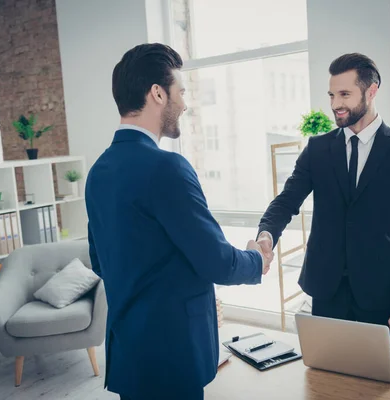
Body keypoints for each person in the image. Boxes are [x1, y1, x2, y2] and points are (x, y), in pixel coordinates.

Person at [85, 43, 272, 400]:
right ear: (157, 93)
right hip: (171, 355)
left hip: (130, 354)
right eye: (181, 92)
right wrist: (257, 261)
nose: (184, 104)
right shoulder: (166, 167)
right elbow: (216, 261)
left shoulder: (98, 172)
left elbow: (101, 261)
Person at [255, 53, 390, 353]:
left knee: (385, 388)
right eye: (331, 94)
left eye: (344, 94)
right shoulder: (317, 149)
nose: (335, 104)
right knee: (327, 384)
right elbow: (287, 200)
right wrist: (266, 235)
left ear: (371, 91)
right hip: (326, 292)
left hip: (383, 298)